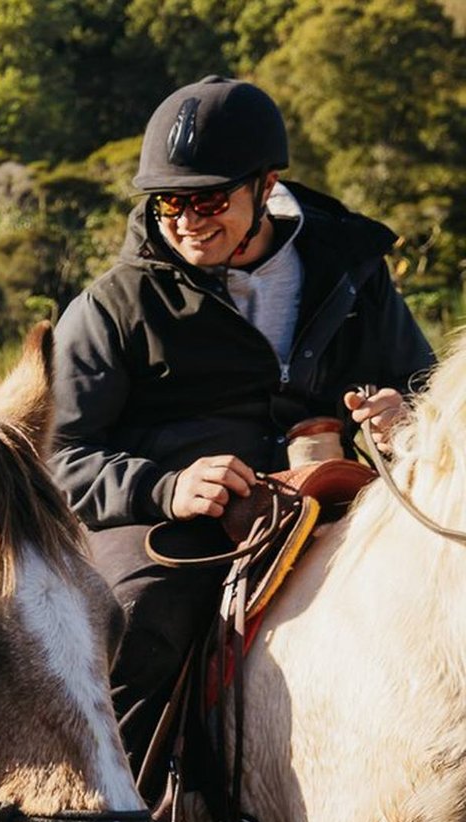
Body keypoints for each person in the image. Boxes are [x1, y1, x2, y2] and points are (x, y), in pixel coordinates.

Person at [50, 76, 436, 764]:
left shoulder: (353, 272)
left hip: (332, 498)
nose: (187, 220)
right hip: (169, 523)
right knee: (135, 625)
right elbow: (56, 456)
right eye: (170, 200)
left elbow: (424, 385)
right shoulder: (112, 306)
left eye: (207, 199)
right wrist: (163, 488)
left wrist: (405, 415)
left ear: (266, 185)